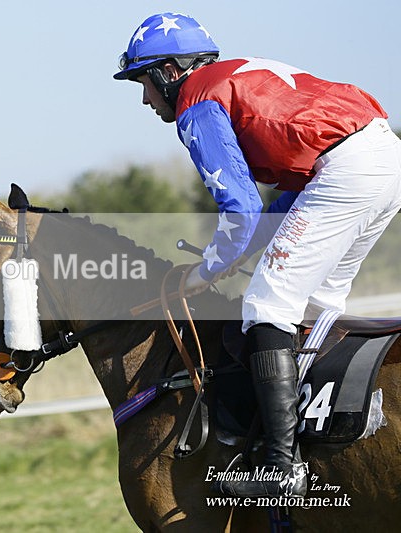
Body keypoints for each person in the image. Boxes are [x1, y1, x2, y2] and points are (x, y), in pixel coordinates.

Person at [114, 12, 401, 497]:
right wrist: (251, 252)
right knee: (315, 305)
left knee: (266, 306)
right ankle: (316, 434)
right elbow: (288, 195)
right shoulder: (234, 78)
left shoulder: (196, 101)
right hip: (382, 156)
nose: (144, 98)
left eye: (143, 81)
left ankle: (280, 465)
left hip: (347, 170)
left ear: (169, 72)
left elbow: (241, 207)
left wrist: (208, 270)